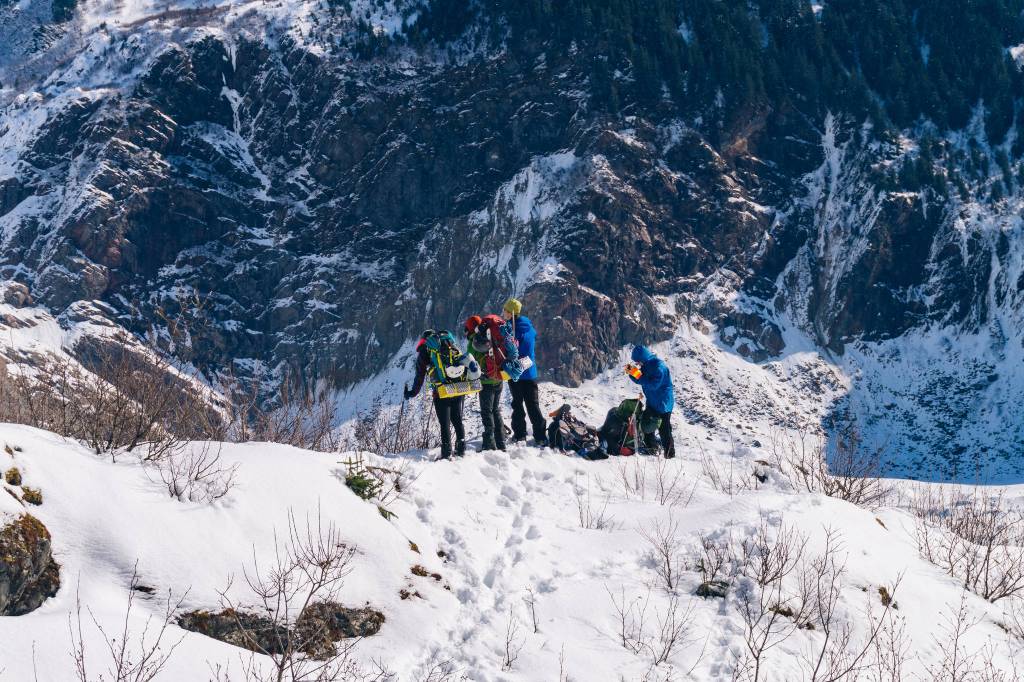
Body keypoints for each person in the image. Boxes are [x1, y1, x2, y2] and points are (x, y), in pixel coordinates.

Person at [404, 330, 481, 460]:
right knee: (457, 420)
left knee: (444, 423)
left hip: (441, 391)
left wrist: (412, 393)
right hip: (458, 387)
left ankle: (446, 454)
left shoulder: (425, 350)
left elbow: (420, 376)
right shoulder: (450, 344)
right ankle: (461, 449)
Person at [502, 298, 547, 446]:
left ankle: (520, 435)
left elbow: (509, 349)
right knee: (533, 404)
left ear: (511, 313)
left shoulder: (510, 329)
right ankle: (540, 436)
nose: (504, 313)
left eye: (506, 311)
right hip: (530, 371)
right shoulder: (529, 326)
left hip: (516, 372)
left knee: (517, 404)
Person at [464, 315, 506, 451]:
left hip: (486, 381)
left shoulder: (473, 342)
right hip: (498, 378)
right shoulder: (490, 334)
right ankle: (501, 442)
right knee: (495, 410)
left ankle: (489, 444)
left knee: (487, 413)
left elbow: (470, 363)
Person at [625, 346, 675, 458]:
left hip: (663, 403)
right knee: (646, 424)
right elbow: (642, 378)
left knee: (664, 429)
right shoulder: (646, 365)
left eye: (638, 361)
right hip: (652, 401)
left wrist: (634, 374)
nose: (637, 363)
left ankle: (669, 455)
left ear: (642, 358)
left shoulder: (659, 366)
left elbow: (653, 385)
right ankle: (651, 448)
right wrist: (632, 373)